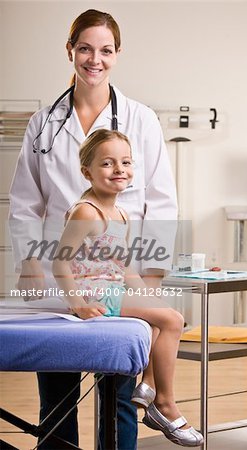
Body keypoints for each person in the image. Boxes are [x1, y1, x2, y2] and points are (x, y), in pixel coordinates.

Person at [8, 8, 178, 450]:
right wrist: (28, 266)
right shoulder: (43, 123)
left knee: (118, 393)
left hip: (120, 275)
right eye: (85, 48)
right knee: (58, 393)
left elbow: (161, 201)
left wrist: (152, 280)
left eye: (105, 50)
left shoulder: (140, 120)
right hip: (55, 273)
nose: (94, 59)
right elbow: (26, 204)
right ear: (71, 51)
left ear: (117, 54)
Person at [52, 128, 203, 447]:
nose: (119, 169)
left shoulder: (121, 214)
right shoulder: (86, 212)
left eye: (126, 162)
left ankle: (147, 387)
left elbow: (122, 268)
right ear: (87, 172)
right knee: (171, 321)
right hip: (94, 295)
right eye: (107, 163)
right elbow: (60, 264)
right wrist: (79, 304)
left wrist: (151, 295)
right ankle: (164, 404)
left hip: (112, 288)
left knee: (170, 316)